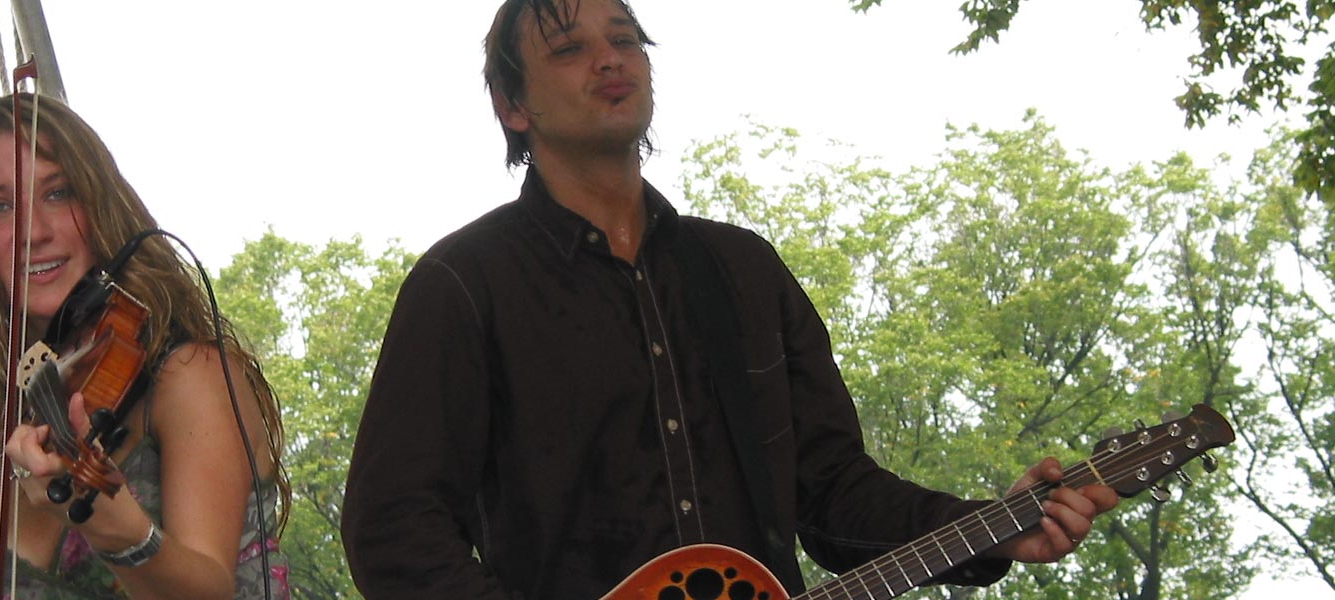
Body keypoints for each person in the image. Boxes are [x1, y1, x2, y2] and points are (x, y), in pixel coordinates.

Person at [338, 1, 1120, 598]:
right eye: (570, 48)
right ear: (514, 106)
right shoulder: (464, 285)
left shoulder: (743, 269)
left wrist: (994, 526)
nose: (611, 61)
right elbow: (393, 530)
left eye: (625, 39)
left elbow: (834, 494)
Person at [0, 94, 291, 600]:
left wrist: (113, 526)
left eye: (59, 193)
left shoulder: (190, 377)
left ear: (101, 206)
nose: (34, 232)